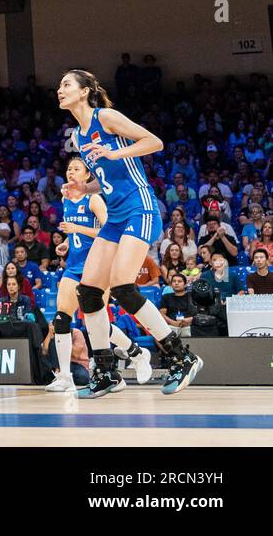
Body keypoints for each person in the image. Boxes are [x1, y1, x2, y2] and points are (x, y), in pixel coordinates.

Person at [59, 69, 201, 396]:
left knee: (123, 286)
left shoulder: (105, 116)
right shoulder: (78, 136)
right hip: (116, 216)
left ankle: (182, 357)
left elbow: (154, 141)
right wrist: (84, 186)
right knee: (89, 292)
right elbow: (103, 178)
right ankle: (107, 372)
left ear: (84, 91)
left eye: (66, 84)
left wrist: (115, 152)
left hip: (140, 207)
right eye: (59, 85)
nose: (60, 90)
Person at [47, 157, 151, 392]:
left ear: (88, 176)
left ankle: (135, 353)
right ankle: (65, 377)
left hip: (97, 267)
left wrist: (77, 229)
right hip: (74, 266)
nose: (71, 172)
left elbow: (108, 231)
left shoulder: (93, 199)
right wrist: (66, 242)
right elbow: (76, 232)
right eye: (69, 168)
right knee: (61, 317)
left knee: (99, 323)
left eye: (77, 169)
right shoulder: (66, 199)